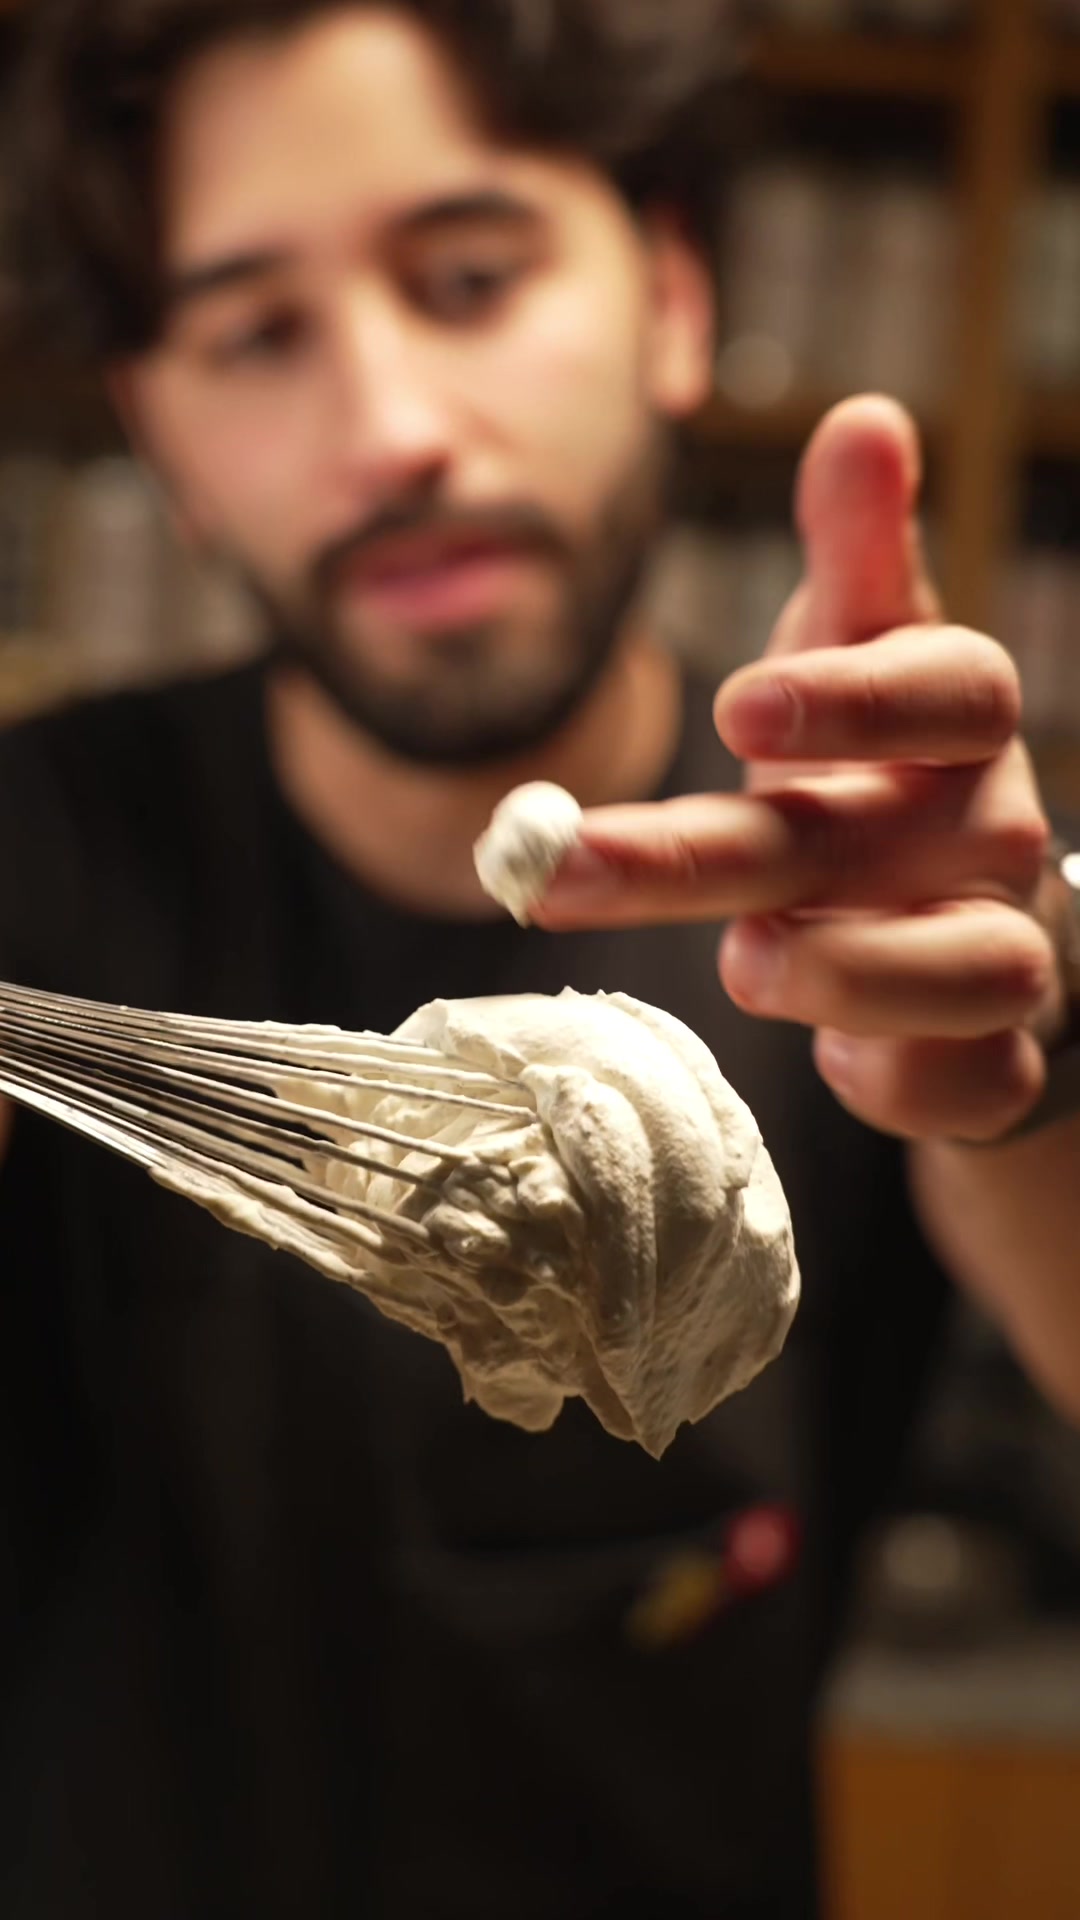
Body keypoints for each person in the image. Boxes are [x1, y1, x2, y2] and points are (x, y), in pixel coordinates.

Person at [0, 2, 1078, 1916]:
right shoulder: (35, 869)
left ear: (673, 298)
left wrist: (1035, 1079)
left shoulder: (899, 916)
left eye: (472, 278)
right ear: (162, 439)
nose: (394, 432)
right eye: (257, 335)